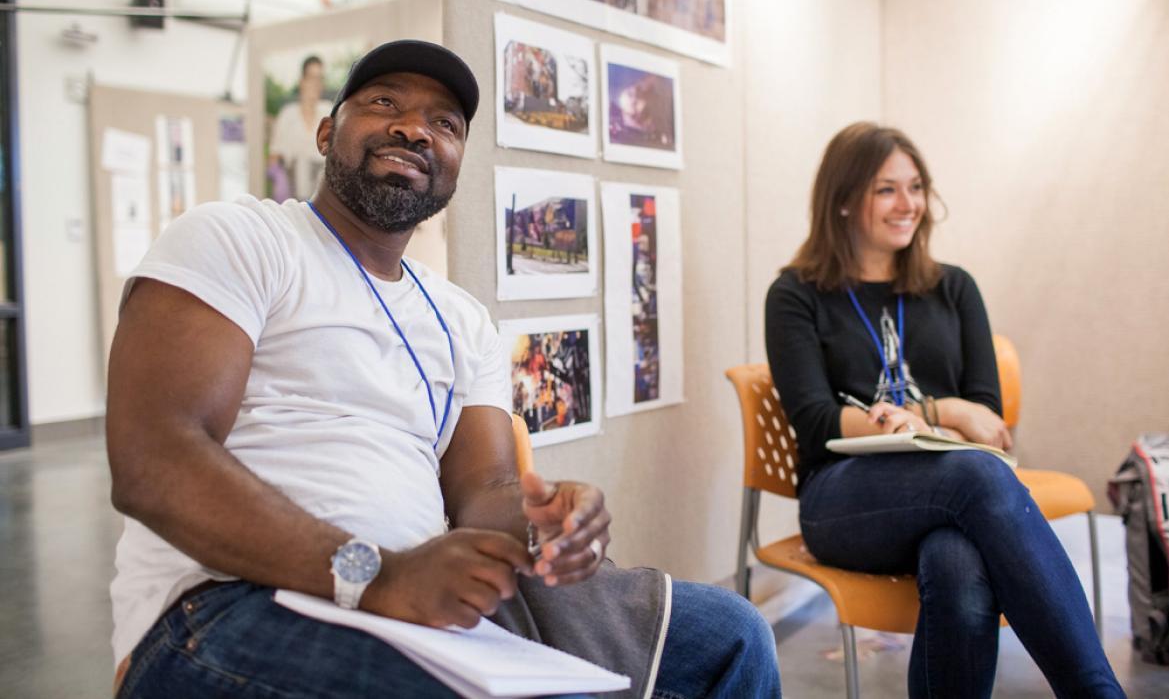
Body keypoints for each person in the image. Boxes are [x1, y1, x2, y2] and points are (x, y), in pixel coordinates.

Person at [107, 40, 780, 698]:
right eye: (382, 102)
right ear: (323, 131)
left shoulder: (460, 318)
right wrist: (374, 576)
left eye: (444, 123)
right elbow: (154, 461)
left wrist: (542, 520)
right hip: (229, 602)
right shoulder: (239, 238)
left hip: (420, 603)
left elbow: (483, 488)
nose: (412, 128)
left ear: (455, 164)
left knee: (733, 636)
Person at [764, 122, 1122, 698]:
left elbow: (988, 421)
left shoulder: (954, 289)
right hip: (844, 498)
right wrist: (943, 412)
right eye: (886, 189)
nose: (909, 205)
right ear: (843, 200)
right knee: (976, 476)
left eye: (916, 186)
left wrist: (929, 414)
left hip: (950, 488)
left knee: (957, 564)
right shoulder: (796, 295)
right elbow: (816, 421)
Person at [267, 54, 333, 200]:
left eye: (320, 79)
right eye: (312, 78)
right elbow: (274, 157)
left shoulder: (328, 111)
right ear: (302, 81)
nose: (316, 84)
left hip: (323, 192)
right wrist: (278, 177)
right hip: (294, 190)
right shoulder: (287, 115)